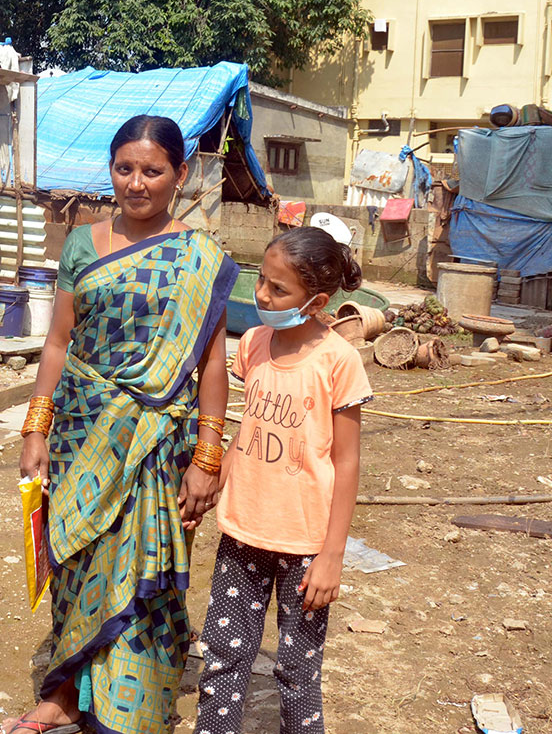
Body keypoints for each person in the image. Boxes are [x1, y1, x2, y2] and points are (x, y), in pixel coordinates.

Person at [0, 116, 239, 734]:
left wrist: (209, 455)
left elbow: (212, 363)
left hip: (158, 442)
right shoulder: (81, 243)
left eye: (153, 171)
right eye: (124, 169)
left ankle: (136, 704)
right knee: (78, 563)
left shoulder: (202, 258)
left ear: (180, 176)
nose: (137, 183)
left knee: (146, 572)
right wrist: (35, 428)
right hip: (82, 429)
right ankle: (66, 695)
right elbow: (57, 342)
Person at [194, 227, 370, 734]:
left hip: (306, 546)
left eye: (278, 289)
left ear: (316, 301)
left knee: (297, 669)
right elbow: (247, 428)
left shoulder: (339, 361)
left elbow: (348, 462)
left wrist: (332, 556)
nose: (263, 296)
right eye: (262, 282)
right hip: (242, 531)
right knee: (224, 657)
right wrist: (215, 480)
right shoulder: (252, 343)